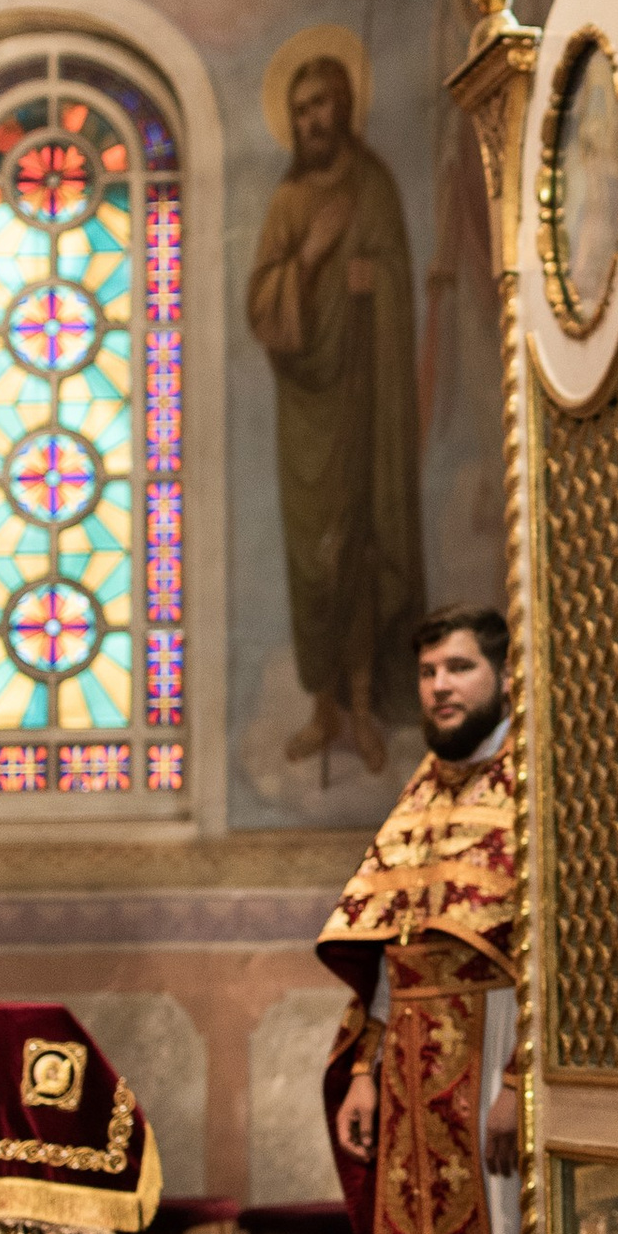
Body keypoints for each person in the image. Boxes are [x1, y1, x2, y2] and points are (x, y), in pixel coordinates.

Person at [317, 608, 527, 1234]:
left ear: (499, 673)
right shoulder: (419, 790)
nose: (441, 685)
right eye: (429, 670)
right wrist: (361, 1070)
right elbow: (387, 948)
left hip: (485, 1054)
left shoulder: (529, 784)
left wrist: (522, 1078)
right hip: (408, 1071)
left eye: (459, 666)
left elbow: (550, 952)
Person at [243, 50, 423, 772]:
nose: (315, 119)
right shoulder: (289, 204)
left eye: (324, 103)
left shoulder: (372, 186)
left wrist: (372, 279)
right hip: (306, 411)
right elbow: (263, 307)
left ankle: (360, 704)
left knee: (362, 546)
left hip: (365, 406)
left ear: (345, 106)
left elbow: (398, 285)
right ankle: (323, 710)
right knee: (314, 560)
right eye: (303, 107)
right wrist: (312, 258)